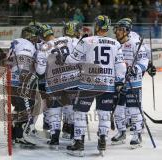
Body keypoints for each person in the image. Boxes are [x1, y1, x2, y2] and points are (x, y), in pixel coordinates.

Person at [65, 15, 126, 156]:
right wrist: (120, 81)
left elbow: (71, 60)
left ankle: (79, 144)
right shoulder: (115, 43)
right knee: (104, 114)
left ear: (97, 26)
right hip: (108, 84)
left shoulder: (86, 41)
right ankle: (102, 141)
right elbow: (121, 66)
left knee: (80, 113)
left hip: (88, 83)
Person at [36, 24, 81, 149]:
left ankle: (54, 139)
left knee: (54, 111)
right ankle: (74, 137)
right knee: (71, 109)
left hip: (54, 82)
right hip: (72, 80)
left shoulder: (44, 47)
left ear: (41, 36)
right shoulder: (69, 40)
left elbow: (40, 71)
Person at [112, 19, 149, 148]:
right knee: (117, 109)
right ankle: (121, 132)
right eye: (116, 29)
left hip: (134, 82)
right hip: (118, 82)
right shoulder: (114, 45)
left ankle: (137, 134)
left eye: (119, 29)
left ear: (126, 31)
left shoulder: (135, 43)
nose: (117, 31)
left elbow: (144, 60)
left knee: (134, 109)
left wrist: (135, 69)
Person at [5, 26, 40, 146]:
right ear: (30, 35)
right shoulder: (27, 44)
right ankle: (20, 136)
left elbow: (7, 60)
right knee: (27, 109)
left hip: (10, 81)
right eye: (35, 36)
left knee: (19, 108)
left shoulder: (16, 42)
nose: (36, 39)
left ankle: (13, 135)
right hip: (21, 83)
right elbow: (23, 62)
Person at [61, 20, 83, 139]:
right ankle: (74, 129)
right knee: (75, 105)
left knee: (66, 104)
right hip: (75, 77)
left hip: (62, 78)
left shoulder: (59, 41)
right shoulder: (78, 42)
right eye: (78, 30)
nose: (80, 32)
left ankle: (66, 128)